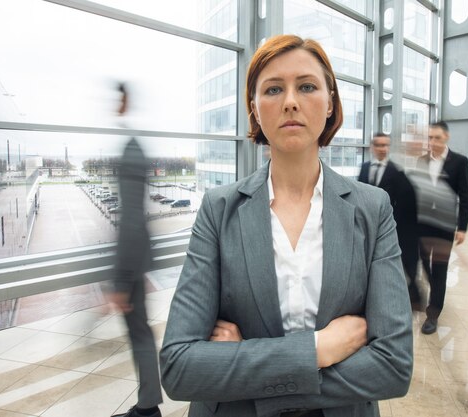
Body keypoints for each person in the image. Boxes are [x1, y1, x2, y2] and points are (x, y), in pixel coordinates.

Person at [160, 35, 413, 417]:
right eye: (274, 89)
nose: (291, 101)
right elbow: (179, 367)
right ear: (256, 110)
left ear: (330, 103)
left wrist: (242, 368)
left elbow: (393, 366)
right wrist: (318, 350)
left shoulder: (372, 208)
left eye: (307, 86)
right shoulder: (219, 209)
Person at [109, 83, 163, 417]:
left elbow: (130, 218)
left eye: (117, 98)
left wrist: (121, 279)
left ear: (125, 102)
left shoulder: (130, 149)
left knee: (140, 334)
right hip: (137, 257)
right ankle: (148, 405)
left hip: (131, 259)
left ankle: (148, 409)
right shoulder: (134, 146)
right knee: (141, 332)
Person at [414, 120, 468, 335]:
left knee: (440, 269)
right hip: (423, 223)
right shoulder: (422, 161)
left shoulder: (459, 162)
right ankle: (435, 288)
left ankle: (433, 314)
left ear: (446, 137)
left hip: (445, 225)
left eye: (437, 138)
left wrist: (462, 227)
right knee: (424, 264)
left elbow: (464, 196)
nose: (432, 142)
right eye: (430, 138)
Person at [358, 133, 420, 309]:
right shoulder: (364, 168)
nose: (383, 149)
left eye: (386, 145)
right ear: (372, 147)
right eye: (379, 145)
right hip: (366, 226)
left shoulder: (397, 172)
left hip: (389, 227)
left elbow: (406, 205)